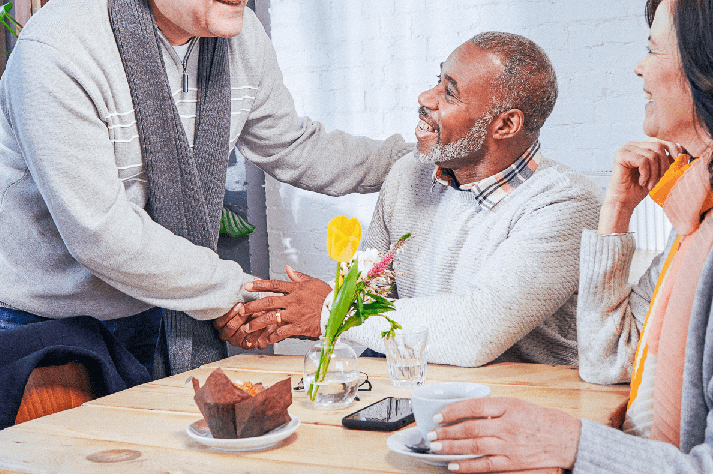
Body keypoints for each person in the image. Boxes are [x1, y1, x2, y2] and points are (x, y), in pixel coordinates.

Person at [0, 0, 408, 377]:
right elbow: (102, 234)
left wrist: (417, 161)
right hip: (34, 324)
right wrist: (244, 294)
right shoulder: (59, 52)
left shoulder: (239, 37)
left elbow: (295, 146)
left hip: (151, 310)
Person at [409, 0, 713, 473]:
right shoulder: (697, 220)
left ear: (708, 70)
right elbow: (607, 364)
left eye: (654, 50)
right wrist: (615, 216)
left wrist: (572, 443)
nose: (638, 68)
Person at [217, 32, 602, 367]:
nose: (425, 97)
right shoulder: (409, 175)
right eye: (437, 79)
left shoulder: (564, 204)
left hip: (535, 407)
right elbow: (372, 305)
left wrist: (330, 310)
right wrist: (282, 315)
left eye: (449, 91)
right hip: (424, 391)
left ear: (505, 124)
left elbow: (476, 331)